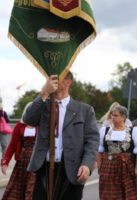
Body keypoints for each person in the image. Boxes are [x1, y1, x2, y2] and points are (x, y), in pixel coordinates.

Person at [22, 72, 99, 200]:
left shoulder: (84, 110)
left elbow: (92, 140)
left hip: (72, 169)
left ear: (68, 82)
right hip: (44, 168)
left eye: (57, 79)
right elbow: (28, 119)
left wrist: (87, 164)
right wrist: (44, 92)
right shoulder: (43, 105)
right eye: (50, 79)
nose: (52, 82)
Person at [97, 106, 137, 200]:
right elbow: (99, 151)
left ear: (123, 117)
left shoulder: (133, 130)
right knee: (108, 195)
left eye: (115, 115)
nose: (112, 117)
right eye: (112, 115)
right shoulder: (104, 130)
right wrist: (100, 168)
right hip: (108, 167)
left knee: (127, 195)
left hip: (127, 167)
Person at [1, 103, 37, 200]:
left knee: (31, 191)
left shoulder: (41, 125)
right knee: (16, 192)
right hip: (21, 163)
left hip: (35, 164)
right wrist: (5, 161)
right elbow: (12, 145)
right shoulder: (20, 125)